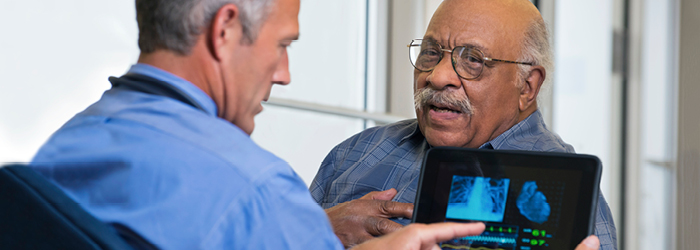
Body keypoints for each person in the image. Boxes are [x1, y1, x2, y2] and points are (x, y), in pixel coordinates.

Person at [27, 0, 498, 249]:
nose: (283, 74)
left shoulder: (63, 147)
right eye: (282, 45)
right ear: (225, 29)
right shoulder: (255, 191)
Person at [309, 0, 618, 249]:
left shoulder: (570, 196)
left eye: (473, 60)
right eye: (431, 53)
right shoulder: (355, 152)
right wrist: (318, 230)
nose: (438, 76)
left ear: (527, 87)